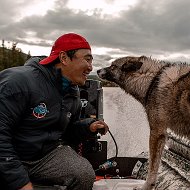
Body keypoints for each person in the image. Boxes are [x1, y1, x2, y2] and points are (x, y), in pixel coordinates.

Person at [0, 33, 109, 190]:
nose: (91, 67)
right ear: (64, 58)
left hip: (42, 157)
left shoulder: (72, 91)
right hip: (11, 155)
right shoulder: (18, 83)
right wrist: (19, 182)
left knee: (83, 173)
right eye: (87, 59)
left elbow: (66, 133)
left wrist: (87, 127)